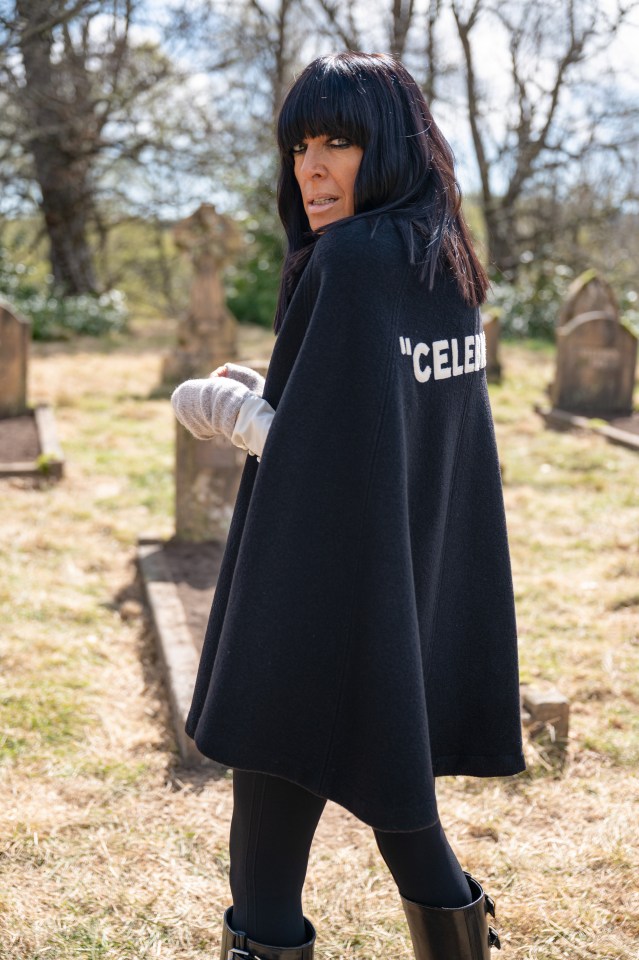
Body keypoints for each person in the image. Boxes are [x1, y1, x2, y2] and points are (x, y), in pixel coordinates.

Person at [171, 51, 526, 960]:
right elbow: (380, 419)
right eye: (299, 147)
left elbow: (326, 452)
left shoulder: (352, 257)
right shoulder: (440, 256)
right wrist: (278, 394)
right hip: (402, 576)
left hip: (315, 578)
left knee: (267, 836)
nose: (312, 170)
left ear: (393, 147)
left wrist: (240, 416)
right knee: (399, 799)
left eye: (338, 143)